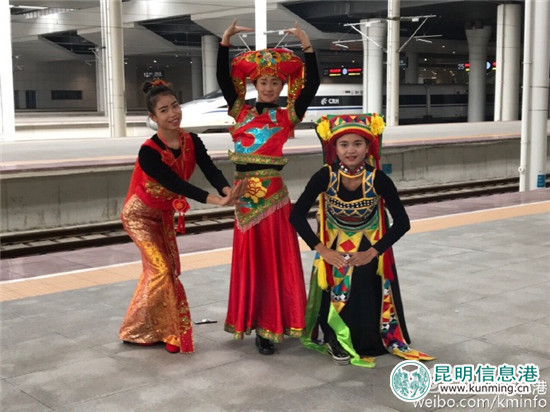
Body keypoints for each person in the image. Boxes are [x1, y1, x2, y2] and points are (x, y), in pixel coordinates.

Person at [289, 114, 434, 367]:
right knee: (334, 286)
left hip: (368, 243)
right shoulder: (324, 176)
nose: (351, 150)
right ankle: (334, 339)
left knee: (365, 285)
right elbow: (296, 215)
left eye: (358, 143)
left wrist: (372, 252)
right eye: (344, 144)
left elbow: (402, 222)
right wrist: (322, 250)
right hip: (333, 242)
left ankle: (368, 340)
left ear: (368, 147)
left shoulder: (378, 178)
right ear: (334, 148)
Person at [217, 20, 321, 355]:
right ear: (255, 84)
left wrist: (307, 46)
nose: (269, 87)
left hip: (273, 199)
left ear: (282, 86)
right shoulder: (240, 111)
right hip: (244, 200)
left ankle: (272, 326)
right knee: (252, 265)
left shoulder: (288, 115)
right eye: (263, 81)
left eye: (275, 82)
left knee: (274, 264)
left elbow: (312, 84)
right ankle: (253, 321)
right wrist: (225, 42)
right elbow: (223, 80)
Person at [119, 79, 246, 354]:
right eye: (164, 110)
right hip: (139, 216)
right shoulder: (149, 152)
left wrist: (227, 190)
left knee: (165, 270)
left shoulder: (192, 141)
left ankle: (138, 328)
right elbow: (176, 184)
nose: (173, 113)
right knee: (161, 270)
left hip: (163, 214)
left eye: (175, 106)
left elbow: (210, 170)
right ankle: (168, 332)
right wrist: (216, 201)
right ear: (153, 117)